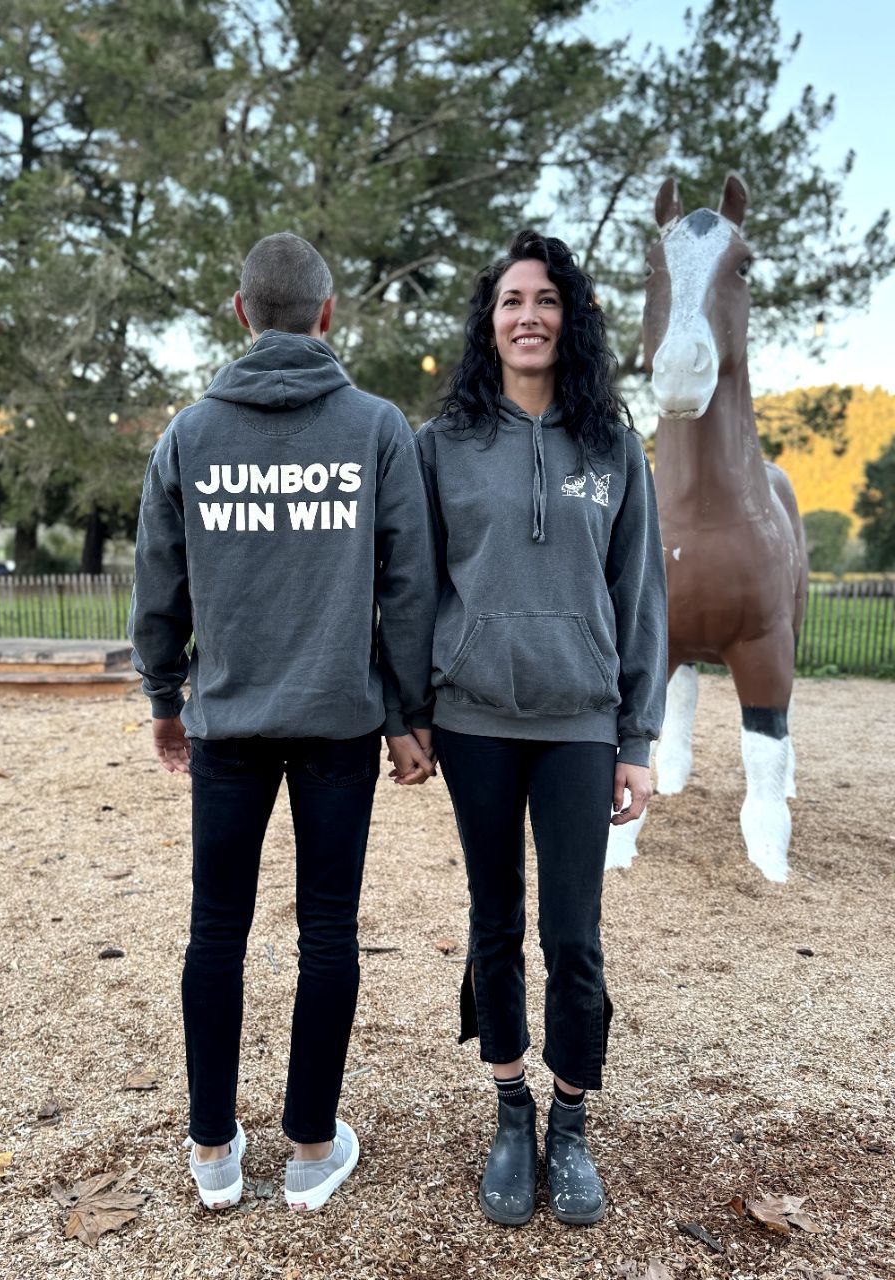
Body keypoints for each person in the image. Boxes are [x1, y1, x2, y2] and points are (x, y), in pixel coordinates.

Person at [129, 232, 437, 1212]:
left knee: (215, 929)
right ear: (327, 314)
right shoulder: (377, 427)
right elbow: (410, 585)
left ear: (241, 312)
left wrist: (164, 698)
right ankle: (309, 1148)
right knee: (328, 930)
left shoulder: (189, 435)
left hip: (227, 721)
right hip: (339, 721)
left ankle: (213, 1151)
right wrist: (406, 713)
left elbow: (158, 582)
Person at [417, 229, 667, 1226]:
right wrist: (408, 712)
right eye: (512, 300)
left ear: (572, 320)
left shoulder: (612, 445)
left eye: (547, 299)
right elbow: (413, 587)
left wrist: (637, 738)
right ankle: (510, 1110)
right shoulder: (443, 445)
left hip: (580, 722)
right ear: (490, 322)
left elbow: (639, 596)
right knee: (495, 923)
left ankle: (570, 1120)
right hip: (472, 718)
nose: (529, 315)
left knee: (573, 932)